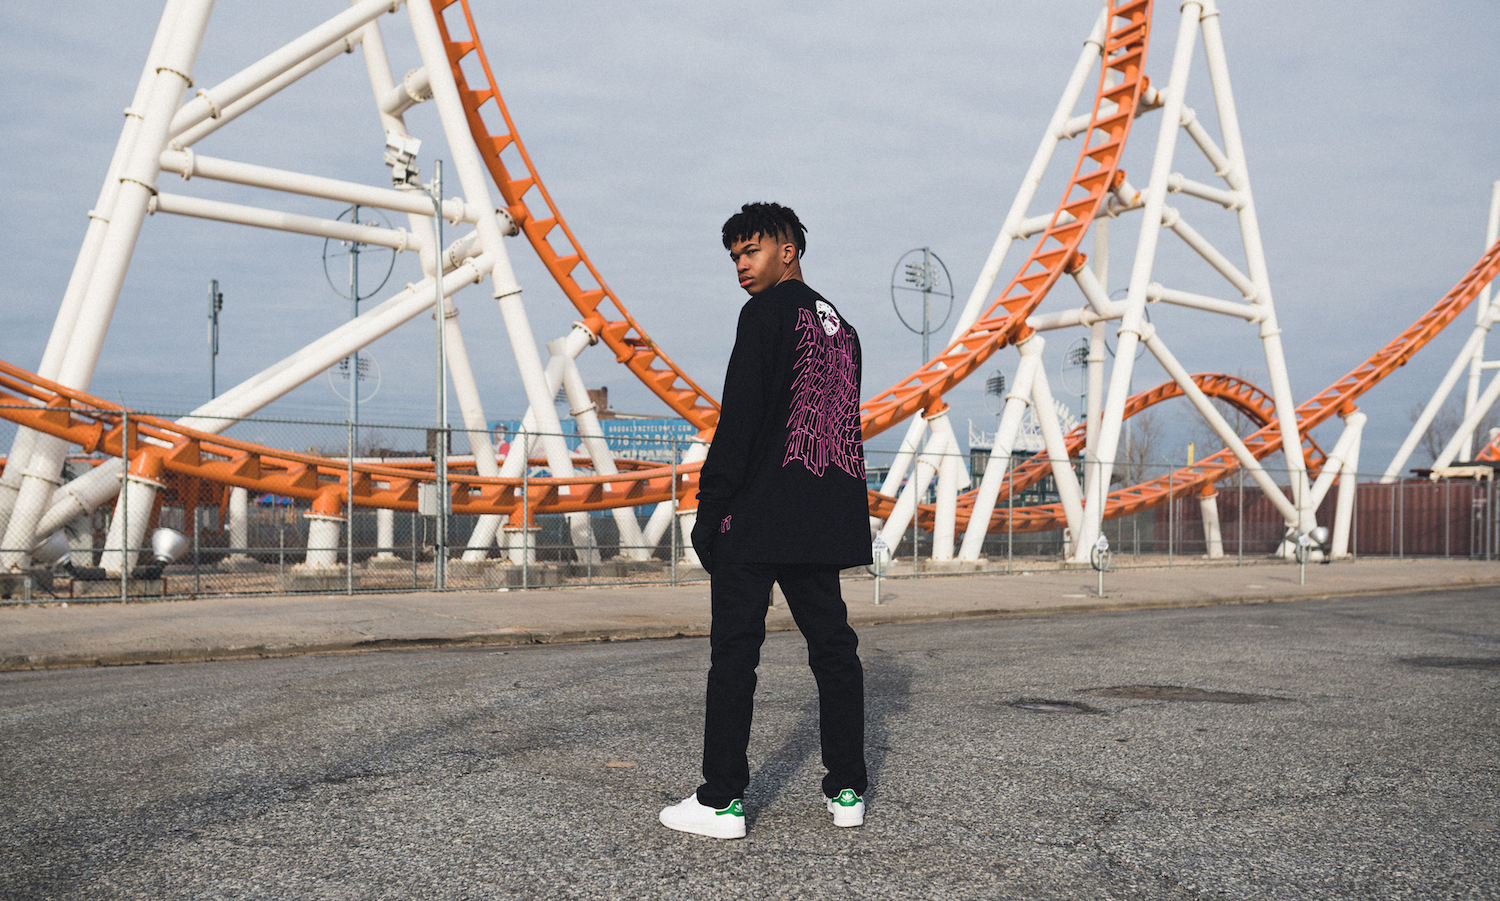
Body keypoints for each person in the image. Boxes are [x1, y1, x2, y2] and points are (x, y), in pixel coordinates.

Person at [658, 202, 873, 840]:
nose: (741, 266)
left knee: (735, 658)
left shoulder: (763, 314)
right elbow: (839, 428)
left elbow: (742, 419)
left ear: (788, 249)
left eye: (750, 251)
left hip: (756, 518)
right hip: (818, 519)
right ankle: (847, 790)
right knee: (834, 651)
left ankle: (723, 800)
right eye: (734, 257)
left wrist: (710, 509)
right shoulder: (844, 329)